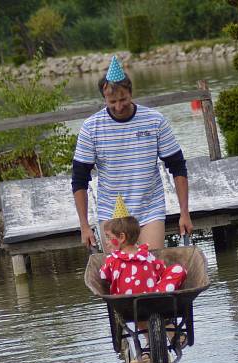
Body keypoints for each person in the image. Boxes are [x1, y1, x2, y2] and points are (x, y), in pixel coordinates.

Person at [72, 55, 193, 252]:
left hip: (149, 208)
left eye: (123, 99)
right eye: (112, 101)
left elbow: (177, 167)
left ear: (131, 93)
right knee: (119, 271)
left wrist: (184, 213)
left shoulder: (155, 121)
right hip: (112, 211)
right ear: (104, 97)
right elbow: (79, 178)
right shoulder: (91, 128)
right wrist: (84, 225)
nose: (119, 107)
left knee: (150, 264)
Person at [99, 196, 187, 296]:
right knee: (178, 269)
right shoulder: (146, 255)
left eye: (108, 237)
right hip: (151, 298)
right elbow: (161, 270)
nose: (106, 242)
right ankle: (161, 296)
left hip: (124, 301)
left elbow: (103, 275)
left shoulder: (112, 260)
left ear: (122, 237)